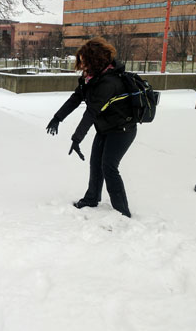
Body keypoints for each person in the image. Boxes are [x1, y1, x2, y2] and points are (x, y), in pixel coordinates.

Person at [46, 37, 136, 218]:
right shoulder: (92, 78)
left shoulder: (108, 82)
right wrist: (57, 118)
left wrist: (77, 138)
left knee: (109, 166)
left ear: (95, 60)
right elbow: (76, 98)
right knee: (96, 164)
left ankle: (122, 212)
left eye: (84, 60)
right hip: (105, 128)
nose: (81, 64)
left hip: (122, 130)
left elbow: (91, 112)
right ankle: (92, 198)